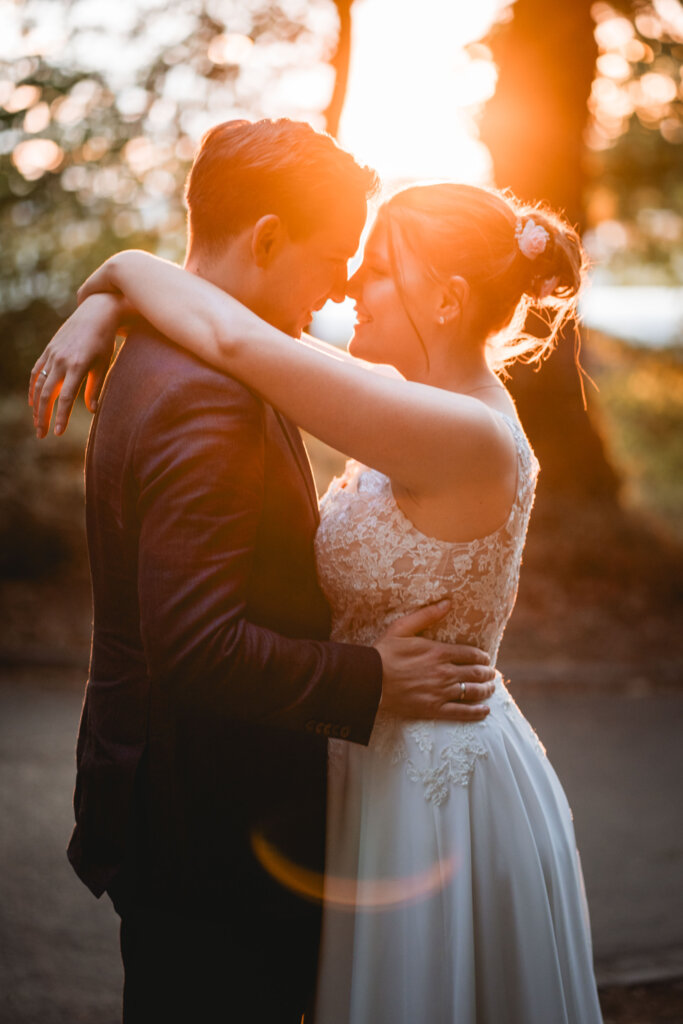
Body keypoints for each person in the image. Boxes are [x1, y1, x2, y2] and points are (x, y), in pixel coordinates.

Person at [28, 121, 497, 1024]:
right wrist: (373, 678)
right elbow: (197, 647)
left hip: (177, 804)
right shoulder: (209, 395)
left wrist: (110, 292)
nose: (340, 284)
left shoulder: (168, 348)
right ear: (269, 237)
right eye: (334, 254)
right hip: (210, 824)